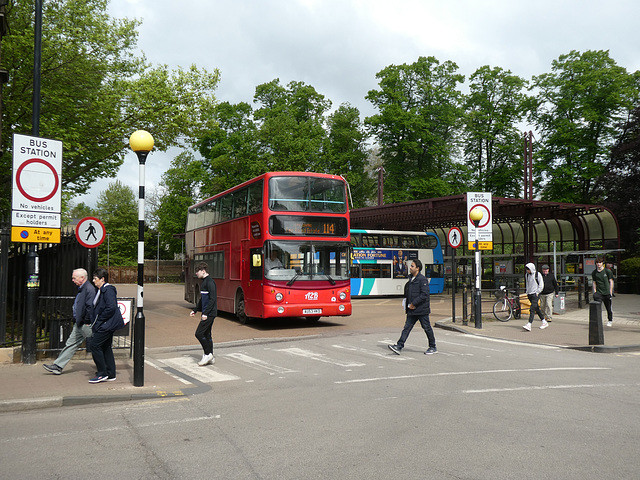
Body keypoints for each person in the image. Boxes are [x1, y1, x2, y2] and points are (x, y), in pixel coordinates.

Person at [43, 268, 95, 375]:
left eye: (74, 278)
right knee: (71, 344)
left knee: (96, 346)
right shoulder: (82, 288)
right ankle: (58, 366)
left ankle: (106, 368)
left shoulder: (89, 289)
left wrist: (86, 321)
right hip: (79, 322)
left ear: (82, 278)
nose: (72, 280)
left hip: (84, 323)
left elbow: (90, 307)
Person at [388, 259, 437, 355]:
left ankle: (433, 346)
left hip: (421, 310)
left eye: (412, 266)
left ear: (417, 268)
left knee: (427, 328)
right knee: (407, 328)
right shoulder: (411, 279)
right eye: (410, 266)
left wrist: (414, 303)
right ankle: (399, 346)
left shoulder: (422, 280)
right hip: (412, 309)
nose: (410, 268)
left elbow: (424, 294)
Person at [89, 268, 124, 383]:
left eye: (95, 279)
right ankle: (110, 373)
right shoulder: (101, 290)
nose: (94, 281)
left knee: (94, 346)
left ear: (102, 279)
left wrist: (99, 320)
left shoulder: (108, 290)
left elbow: (111, 307)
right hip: (106, 324)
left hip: (106, 325)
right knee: (106, 347)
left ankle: (102, 373)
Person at [190, 262, 218, 366]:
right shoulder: (204, 282)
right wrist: (196, 310)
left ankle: (207, 354)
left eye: (197, 272)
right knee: (207, 334)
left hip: (210, 313)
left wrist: (205, 313)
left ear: (203, 271)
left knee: (199, 333)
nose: (196, 274)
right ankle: (210, 356)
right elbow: (203, 299)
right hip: (208, 313)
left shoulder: (210, 282)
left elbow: (212, 299)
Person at [523, 262, 547, 331]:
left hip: (535, 294)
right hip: (530, 294)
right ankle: (544, 321)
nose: (528, 271)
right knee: (536, 308)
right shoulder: (527, 275)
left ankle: (529, 324)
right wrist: (527, 292)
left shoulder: (538, 274)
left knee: (532, 309)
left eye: (528, 269)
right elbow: (527, 284)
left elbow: (541, 285)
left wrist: (537, 292)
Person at [592, 256, 614, 327]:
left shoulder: (607, 271)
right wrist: (595, 292)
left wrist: (610, 292)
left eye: (600, 262)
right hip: (599, 293)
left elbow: (611, 281)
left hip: (607, 293)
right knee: (598, 308)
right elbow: (594, 282)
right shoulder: (594, 272)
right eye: (597, 263)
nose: (598, 264)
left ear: (602, 263)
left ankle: (610, 320)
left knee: (608, 308)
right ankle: (598, 321)